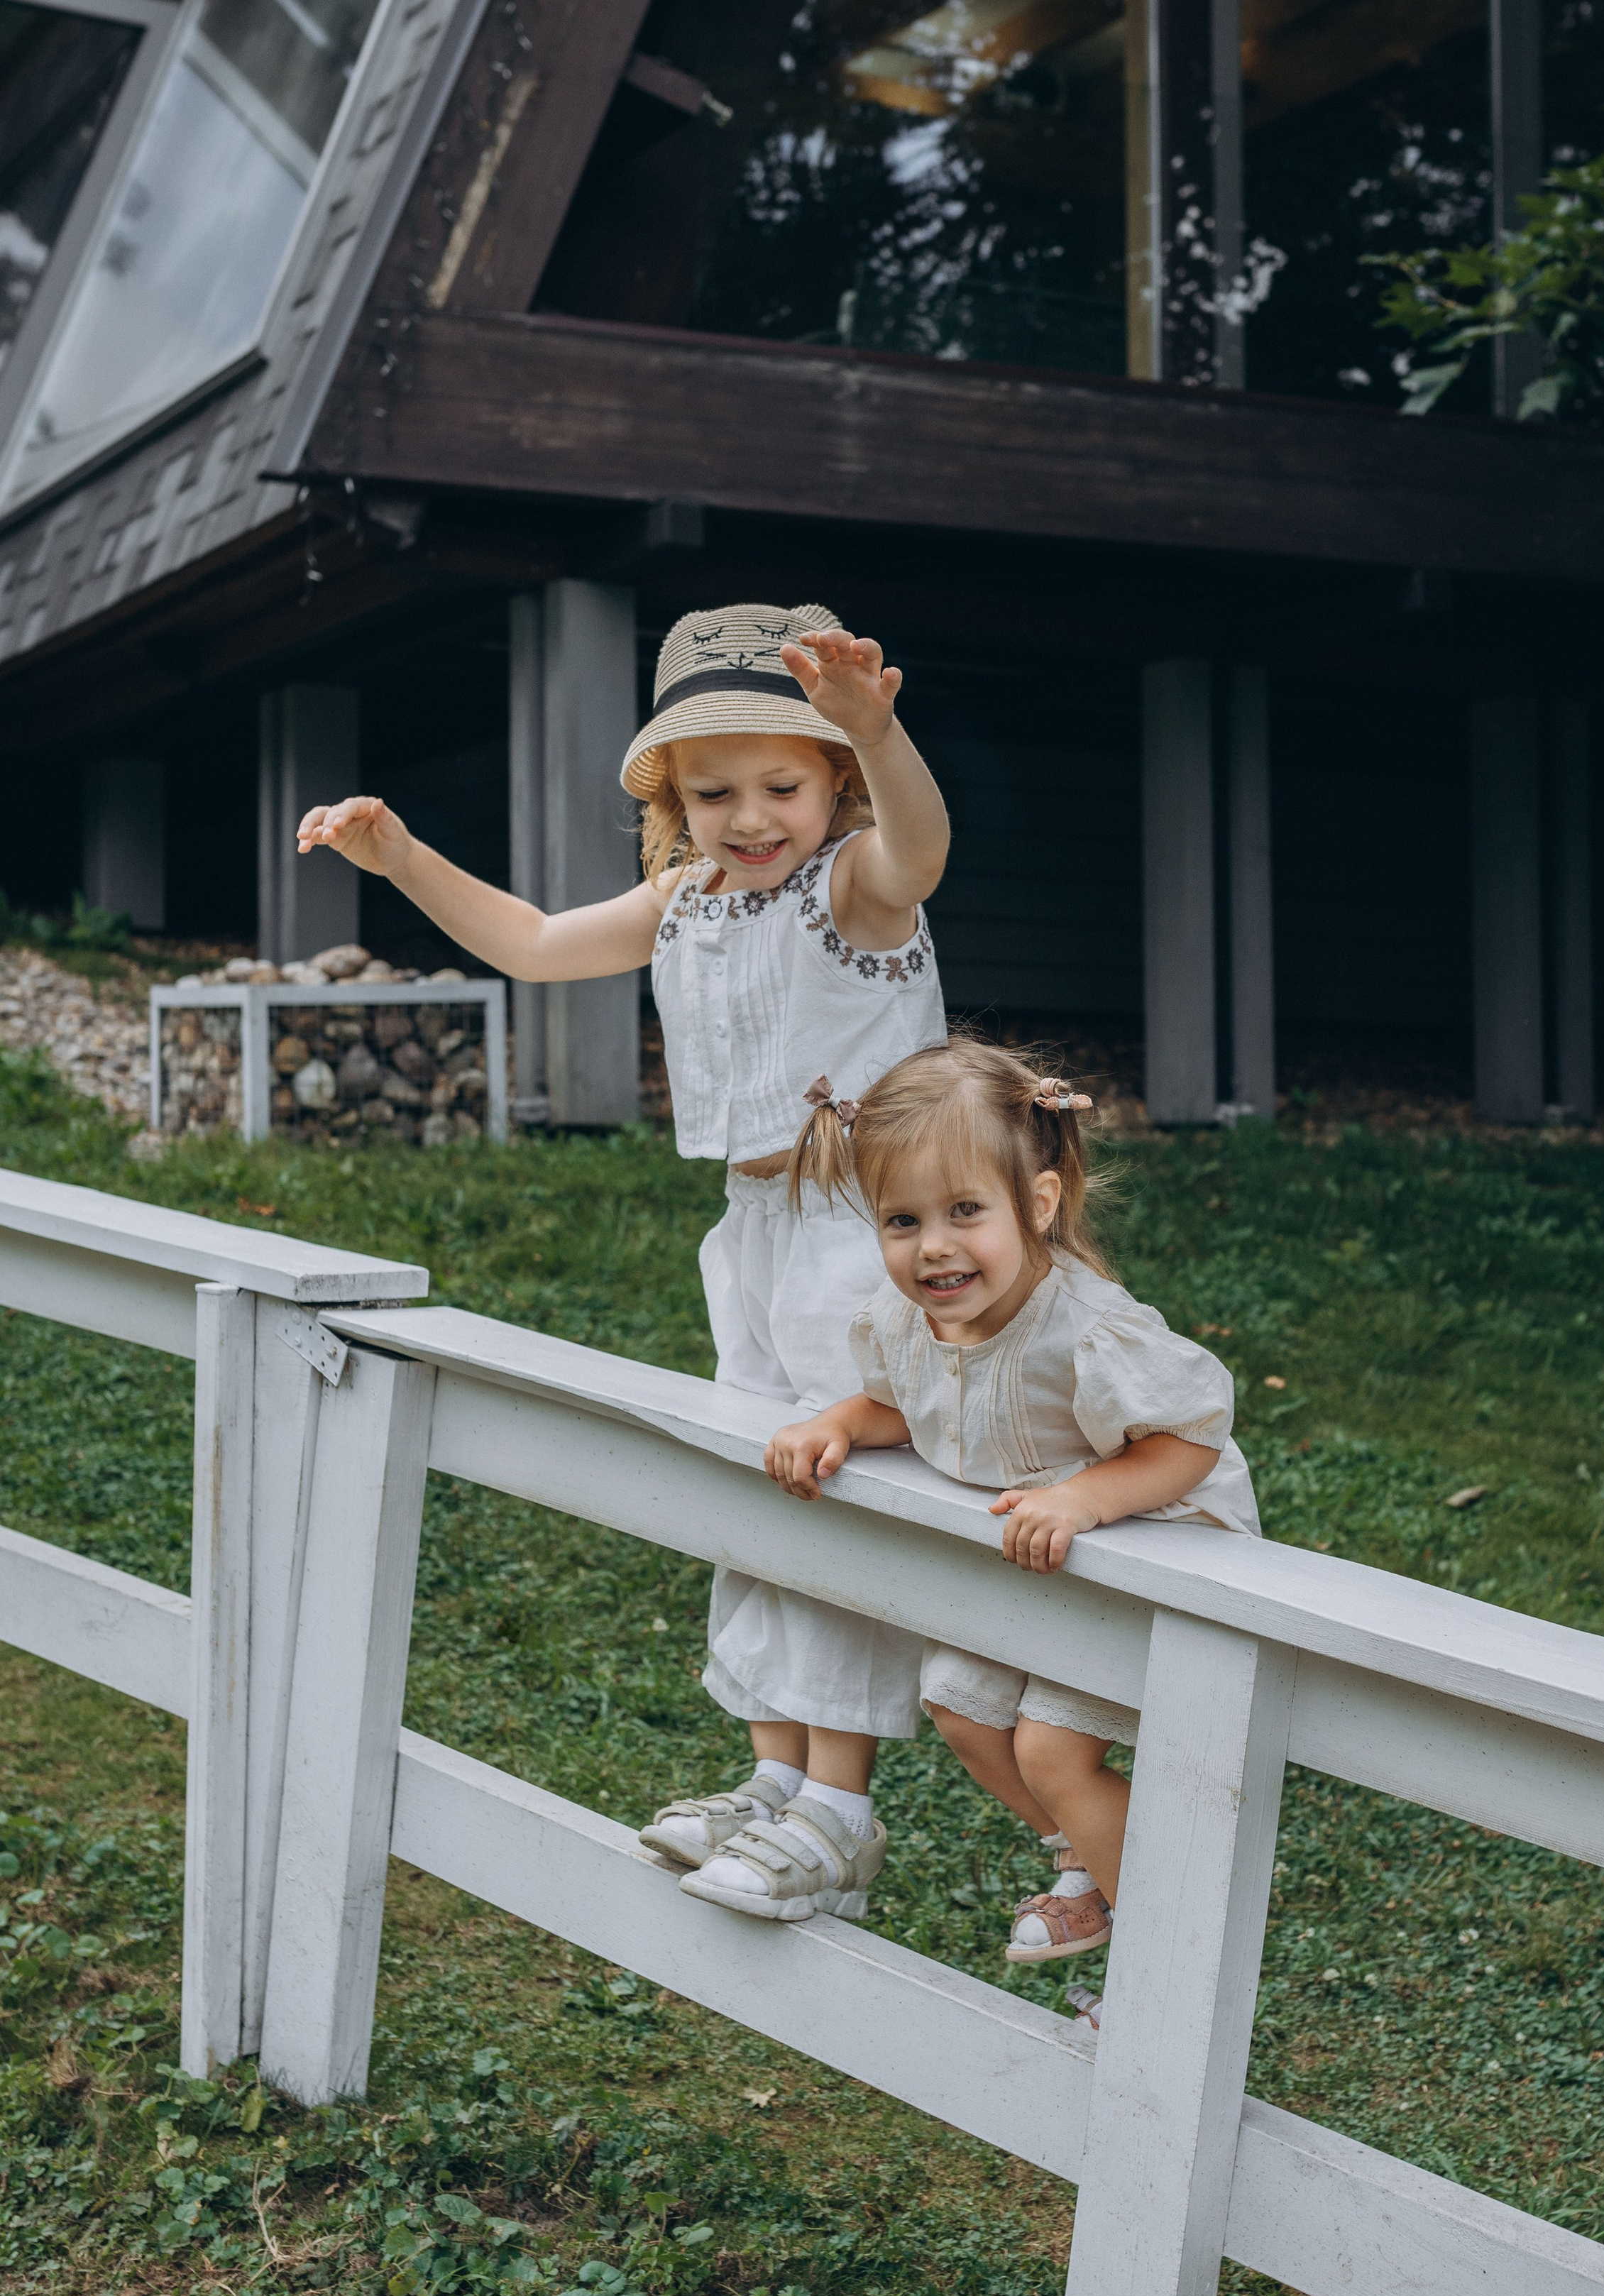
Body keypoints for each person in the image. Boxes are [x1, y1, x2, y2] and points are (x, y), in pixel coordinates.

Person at [295, 603, 948, 1921]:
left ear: (834, 784)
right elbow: (535, 944)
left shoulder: (859, 891)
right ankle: (773, 1777)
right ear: (673, 798)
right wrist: (405, 857)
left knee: (835, 1491)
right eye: (714, 791)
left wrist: (881, 734)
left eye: (784, 783)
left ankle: (842, 1806)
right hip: (754, 1231)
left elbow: (924, 848)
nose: (750, 815)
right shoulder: (688, 901)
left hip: (859, 1233)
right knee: (758, 1491)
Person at [710, 1038, 1258, 1992]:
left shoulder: (1087, 1329)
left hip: (1148, 1546)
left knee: (1051, 1745)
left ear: (1038, 1204)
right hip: (1038, 1563)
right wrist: (839, 1420)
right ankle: (1086, 1854)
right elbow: (911, 1405)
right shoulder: (906, 1323)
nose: (933, 1246)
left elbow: (1193, 1437)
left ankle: (1157, 1971)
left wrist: (1084, 1495)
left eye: (966, 1211)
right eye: (902, 1219)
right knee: (959, 1705)